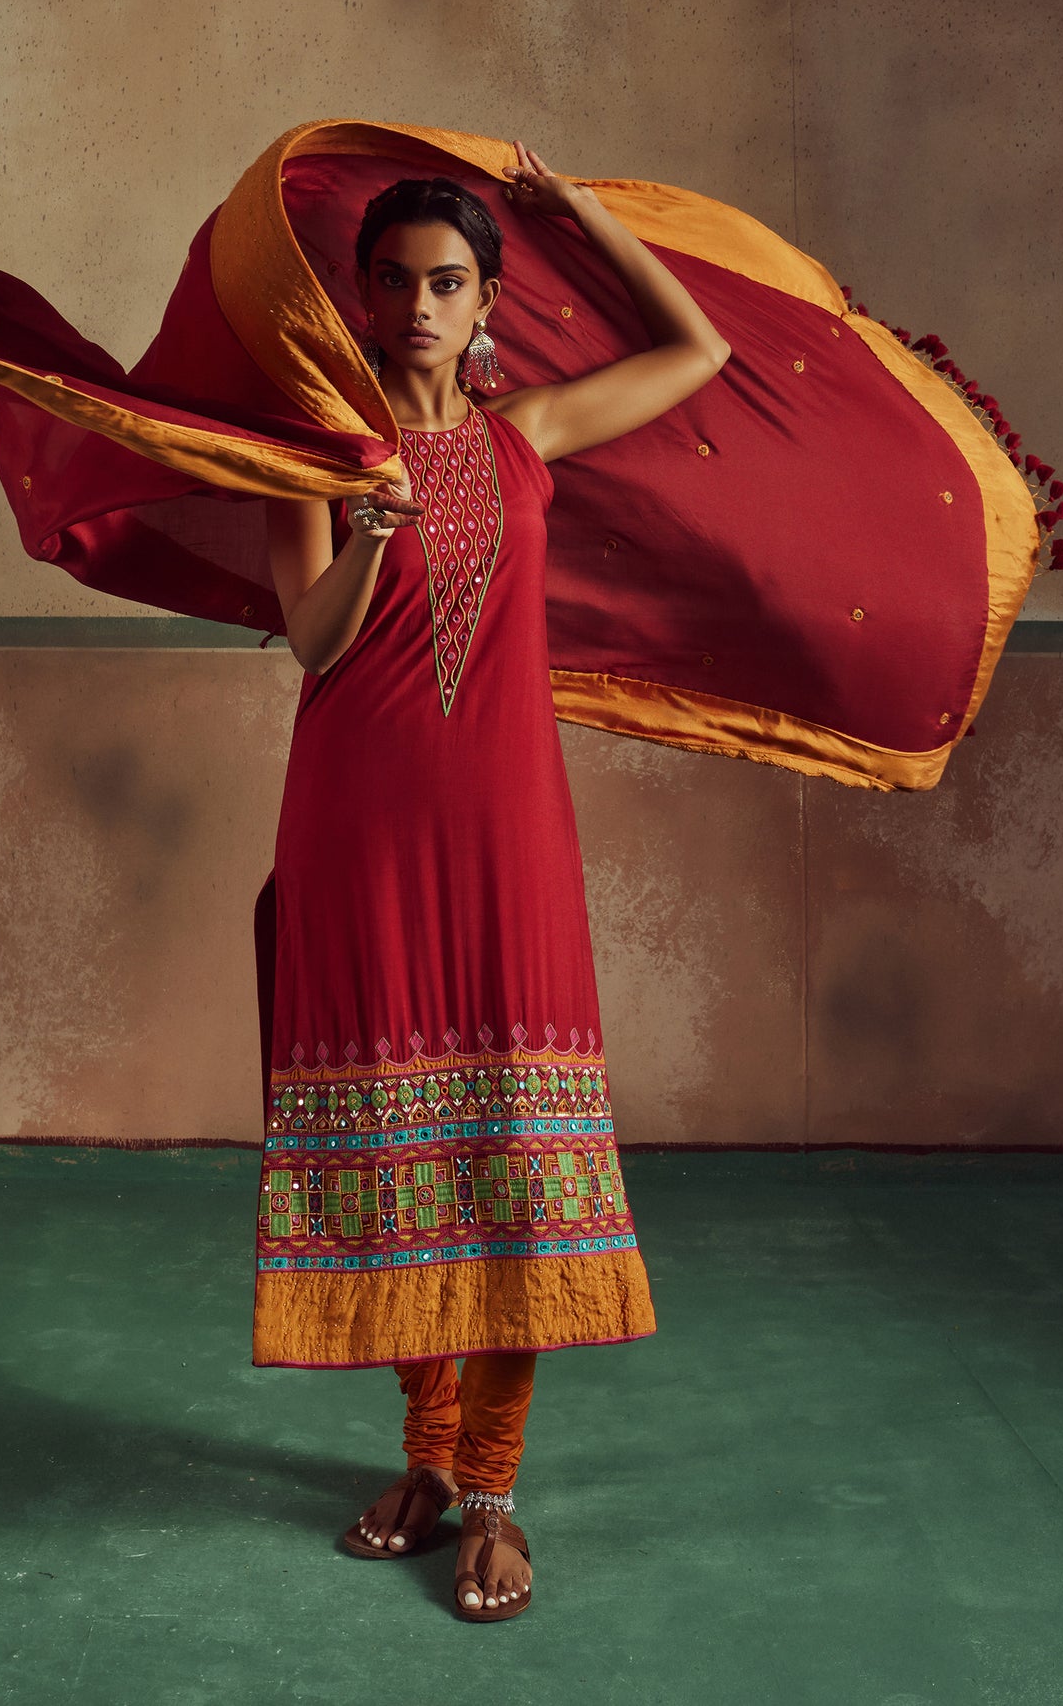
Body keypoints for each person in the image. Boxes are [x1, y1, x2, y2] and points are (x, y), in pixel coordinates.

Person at [257, 139, 732, 1621]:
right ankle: (421, 1455)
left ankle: (494, 1494)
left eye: (445, 283)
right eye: (392, 281)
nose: (416, 305)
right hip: (357, 822)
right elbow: (312, 639)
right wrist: (368, 529)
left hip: (506, 825)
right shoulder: (316, 446)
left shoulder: (528, 432)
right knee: (399, 1161)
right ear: (360, 294)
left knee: (510, 1151)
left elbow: (696, 348)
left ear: (484, 305)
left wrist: (573, 209)